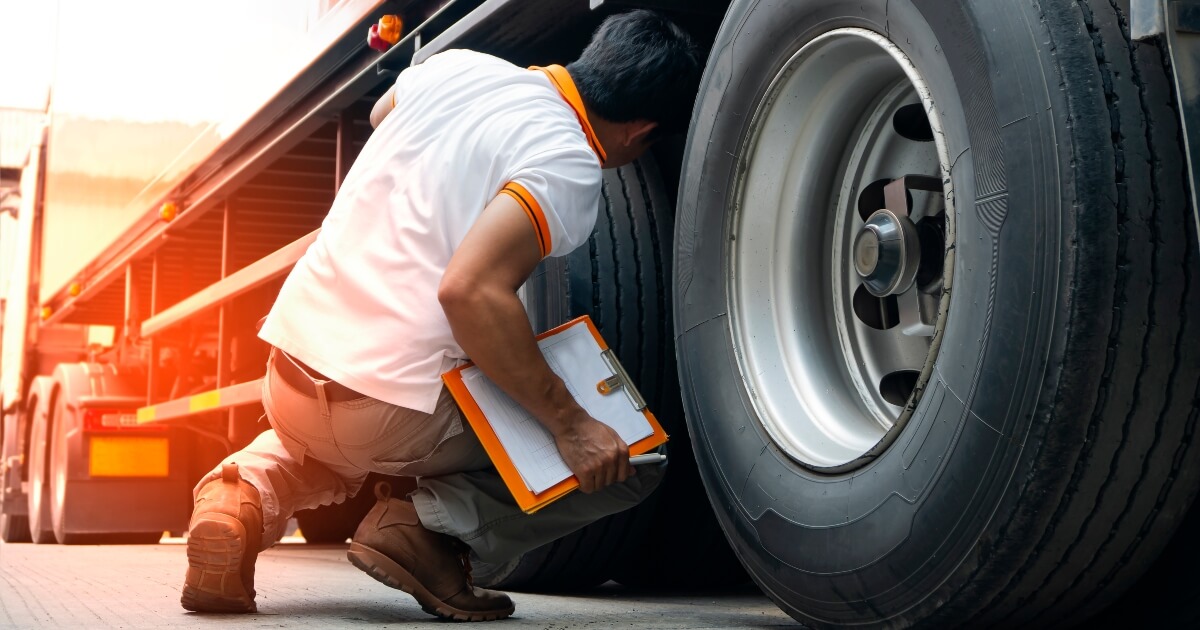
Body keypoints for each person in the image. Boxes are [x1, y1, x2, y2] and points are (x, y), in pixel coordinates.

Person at [178, 9, 700, 622]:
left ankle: (235, 500)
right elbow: (470, 292)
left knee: (324, 446)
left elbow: (381, 115)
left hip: (290, 371)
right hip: (386, 413)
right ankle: (423, 531)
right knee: (630, 460)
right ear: (641, 131)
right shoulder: (567, 157)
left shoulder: (457, 67)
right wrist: (572, 425)